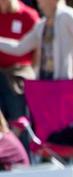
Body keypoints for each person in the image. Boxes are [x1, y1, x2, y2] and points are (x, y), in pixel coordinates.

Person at [0, 0, 73, 86]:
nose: (38, 1)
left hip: (66, 83)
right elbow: (19, 47)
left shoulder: (68, 15)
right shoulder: (41, 25)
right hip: (45, 83)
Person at [0, 0, 39, 132]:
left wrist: (32, 73)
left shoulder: (29, 15)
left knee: (19, 122)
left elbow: (38, 50)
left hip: (18, 77)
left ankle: (23, 151)